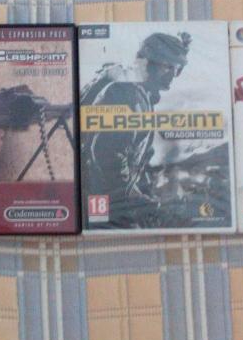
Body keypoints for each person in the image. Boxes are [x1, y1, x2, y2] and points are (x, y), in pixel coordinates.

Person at [81, 32, 192, 228]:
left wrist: (149, 193)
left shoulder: (143, 97)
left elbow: (138, 158)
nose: (172, 75)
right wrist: (136, 200)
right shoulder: (124, 94)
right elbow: (107, 155)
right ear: (148, 62)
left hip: (114, 202)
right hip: (102, 204)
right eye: (167, 66)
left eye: (177, 69)